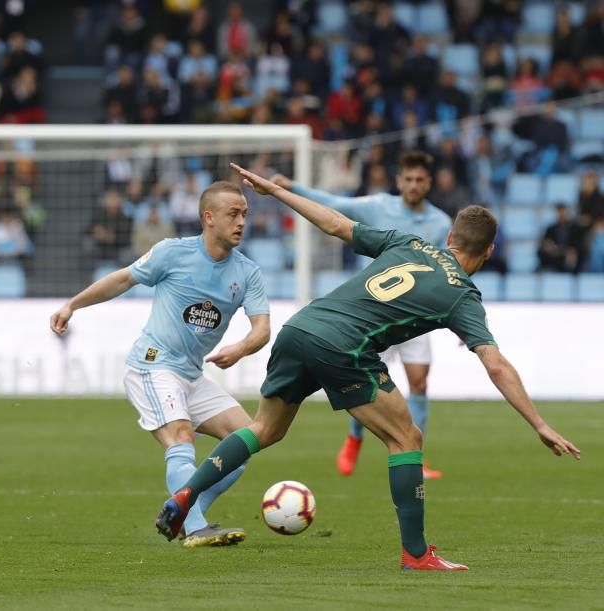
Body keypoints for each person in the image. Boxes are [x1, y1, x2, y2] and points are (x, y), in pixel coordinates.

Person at [156, 163, 580, 570]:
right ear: (488, 251)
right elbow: (497, 366)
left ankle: (187, 493)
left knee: (265, 430)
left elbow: (335, 225)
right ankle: (416, 555)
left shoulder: (409, 242)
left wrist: (278, 192)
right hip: (345, 346)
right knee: (406, 437)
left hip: (300, 326)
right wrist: (538, 423)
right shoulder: (462, 296)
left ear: (450, 236)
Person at [51, 181, 270, 548]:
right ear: (209, 217)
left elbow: (262, 330)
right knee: (181, 436)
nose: (242, 222)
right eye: (234, 213)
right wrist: (72, 304)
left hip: (191, 375)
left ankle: (183, 509)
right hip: (152, 365)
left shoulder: (247, 272)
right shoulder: (173, 253)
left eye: (245, 214)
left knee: (247, 438)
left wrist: (242, 348)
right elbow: (123, 279)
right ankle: (196, 526)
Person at [270, 151, 451, 480]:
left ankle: (417, 456)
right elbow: (334, 203)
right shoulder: (378, 206)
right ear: (399, 181)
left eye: (419, 180)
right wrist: (293, 186)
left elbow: (446, 271)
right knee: (366, 381)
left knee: (420, 383)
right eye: (407, 179)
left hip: (416, 317)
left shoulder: (440, 223)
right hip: (375, 314)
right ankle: (355, 438)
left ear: (428, 183)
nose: (413, 185)